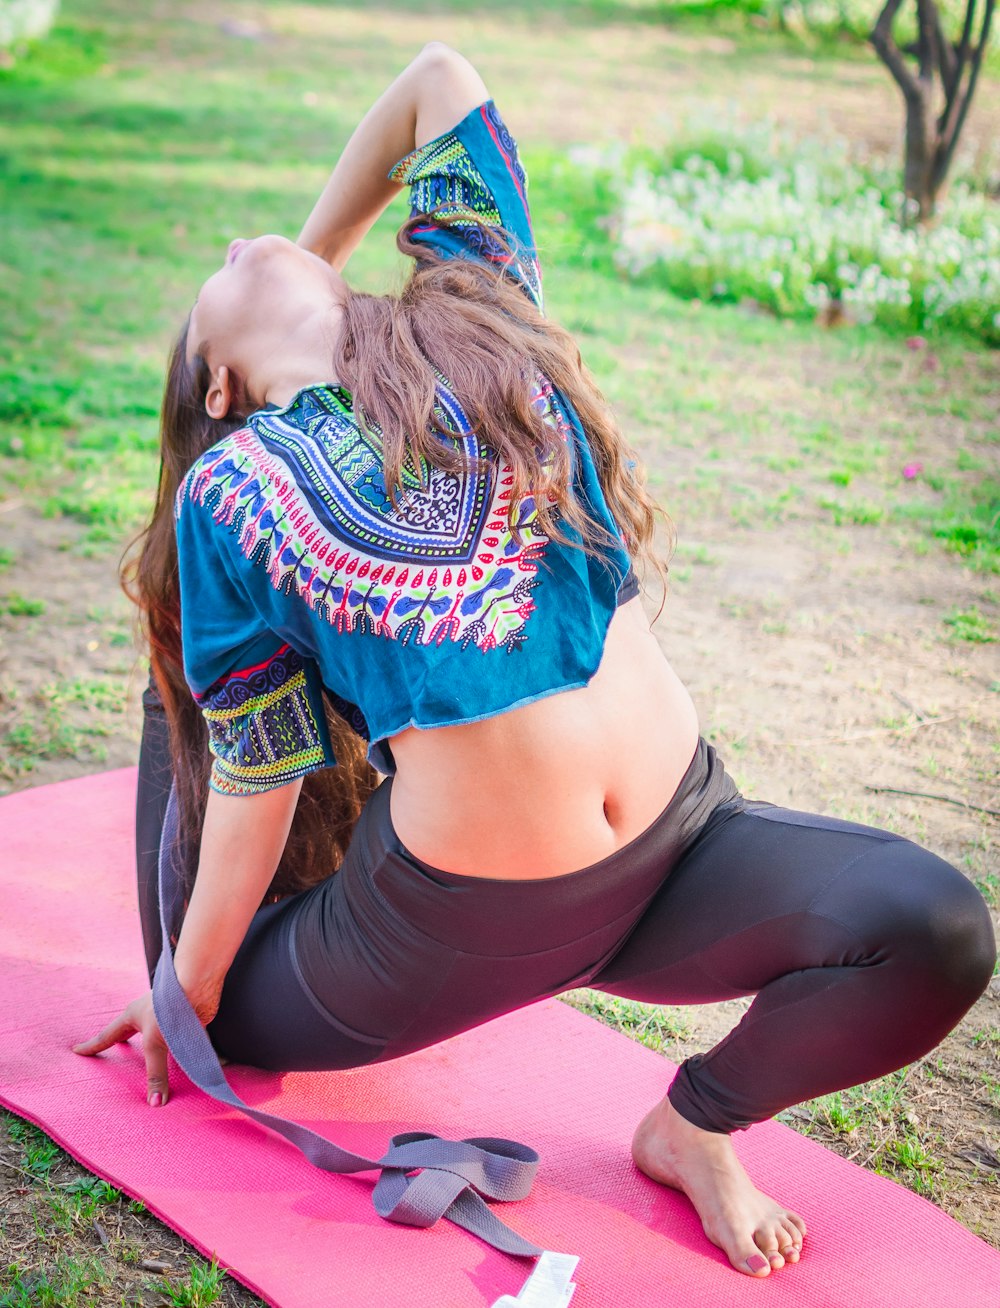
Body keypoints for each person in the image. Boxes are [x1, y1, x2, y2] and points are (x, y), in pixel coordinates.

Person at [74, 43, 996, 1279]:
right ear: (220, 383)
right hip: (437, 931)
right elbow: (258, 774)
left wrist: (319, 281)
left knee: (931, 926)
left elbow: (433, 79)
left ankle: (690, 1127)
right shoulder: (235, 483)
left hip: (679, 850)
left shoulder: (473, 313)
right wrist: (184, 993)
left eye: (258, 246)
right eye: (218, 275)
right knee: (213, 1000)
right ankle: (187, 965)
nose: (243, 242)